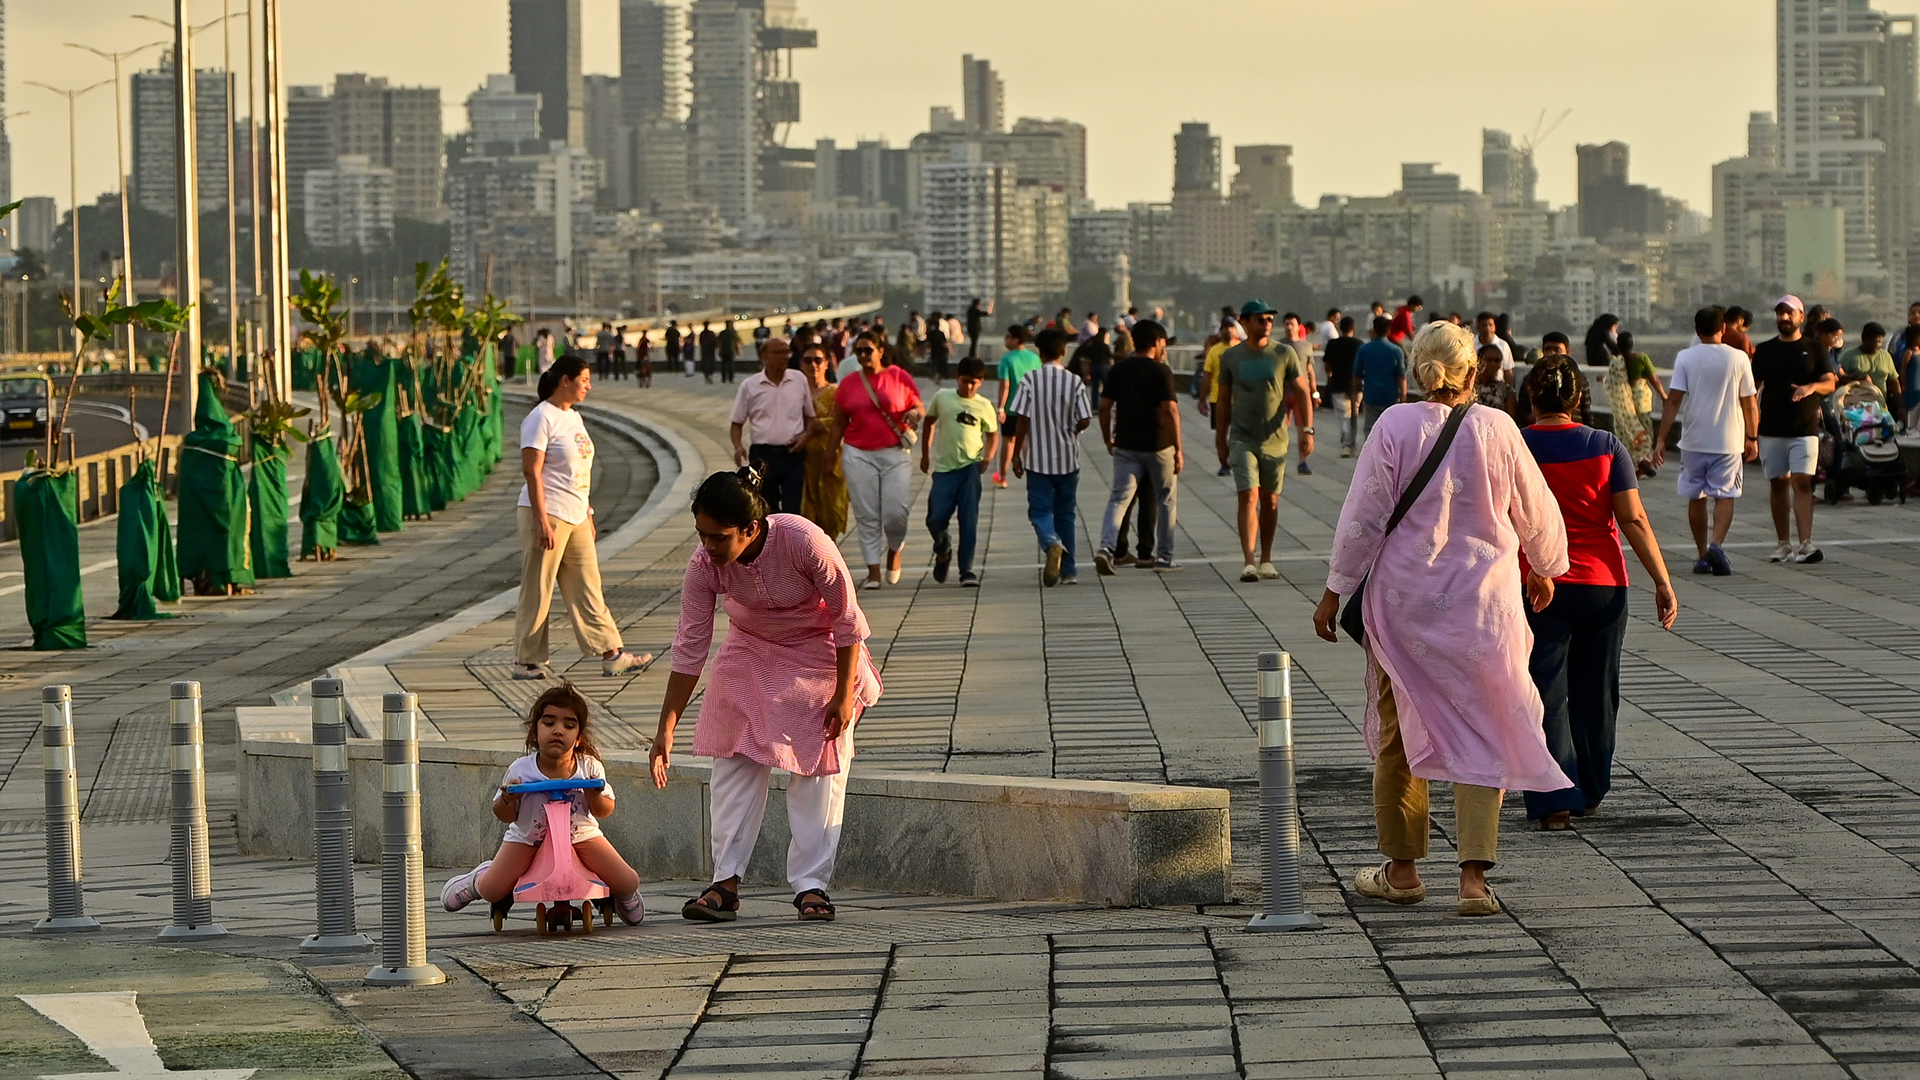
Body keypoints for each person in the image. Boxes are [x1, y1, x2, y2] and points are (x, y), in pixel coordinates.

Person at [1310, 322, 1571, 918]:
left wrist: (1333, 591)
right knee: (1485, 725)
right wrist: (1544, 566)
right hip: (1486, 604)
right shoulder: (1498, 426)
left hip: (1405, 605)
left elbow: (1363, 517)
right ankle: (1474, 881)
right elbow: (1536, 508)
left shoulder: (1394, 425)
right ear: (1475, 374)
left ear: (1412, 371)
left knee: (1401, 729)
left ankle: (1402, 870)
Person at [653, 470, 883, 924]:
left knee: (820, 757)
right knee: (733, 752)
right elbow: (691, 643)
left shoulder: (803, 541)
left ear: (751, 529)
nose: (709, 547)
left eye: (718, 537)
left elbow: (847, 620)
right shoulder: (704, 565)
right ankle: (725, 882)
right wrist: (666, 727)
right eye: (701, 535)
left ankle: (812, 885)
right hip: (750, 645)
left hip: (820, 650)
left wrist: (841, 694)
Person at [1517, 355, 1679, 831]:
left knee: (1542, 691)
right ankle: (1589, 788)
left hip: (1536, 584)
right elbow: (1631, 518)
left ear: (1530, 396)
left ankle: (1554, 798)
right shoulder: (1606, 445)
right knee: (1597, 691)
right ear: (1580, 400)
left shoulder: (1516, 446)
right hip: (1601, 585)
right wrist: (1662, 580)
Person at [440, 685, 646, 924]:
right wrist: (510, 798)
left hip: (581, 835)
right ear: (535, 732)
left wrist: (593, 795)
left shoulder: (589, 767)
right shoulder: (521, 769)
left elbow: (604, 809)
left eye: (569, 726)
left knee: (628, 880)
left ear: (579, 737)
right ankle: (477, 880)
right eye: (549, 724)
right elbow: (503, 813)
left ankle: (624, 895)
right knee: (493, 889)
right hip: (528, 838)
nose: (558, 731)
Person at [513, 357, 652, 681]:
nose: (589, 386)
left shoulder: (573, 417)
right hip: (547, 512)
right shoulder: (540, 418)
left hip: (576, 514)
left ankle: (612, 653)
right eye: (584, 379)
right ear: (565, 380)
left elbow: (581, 473)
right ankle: (526, 660)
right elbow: (531, 471)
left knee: (588, 586)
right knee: (538, 588)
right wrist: (540, 520)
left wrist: (588, 512)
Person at [1653, 307, 1759, 576]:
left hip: (1693, 439)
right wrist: (1752, 437)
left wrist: (1661, 440)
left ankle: (1701, 554)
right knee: (1725, 495)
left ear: (1697, 330)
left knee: (1695, 495)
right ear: (1723, 329)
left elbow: (1674, 400)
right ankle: (1717, 544)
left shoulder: (1686, 357)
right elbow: (1749, 401)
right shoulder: (1738, 358)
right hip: (1729, 439)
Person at [1215, 300, 1314, 582]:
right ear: (1244, 323)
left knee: (1270, 500)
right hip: (1242, 438)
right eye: (1260, 319)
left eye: (1270, 319)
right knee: (1248, 494)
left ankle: (1266, 558)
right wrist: (1220, 440)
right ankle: (1249, 560)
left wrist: (1306, 430)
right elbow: (1223, 401)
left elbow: (1302, 391)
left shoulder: (1284, 353)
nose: (1267, 324)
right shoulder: (1231, 357)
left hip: (1275, 439)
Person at [835, 331, 923, 588]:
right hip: (858, 453)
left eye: (867, 350)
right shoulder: (850, 383)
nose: (862, 355)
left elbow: (918, 407)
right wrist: (831, 455)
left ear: (880, 351)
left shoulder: (899, 376)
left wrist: (914, 416)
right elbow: (839, 422)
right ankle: (873, 570)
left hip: (894, 452)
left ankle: (895, 550)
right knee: (866, 513)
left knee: (896, 512)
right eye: (858, 351)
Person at [1751, 296, 1836, 564]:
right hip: (1772, 428)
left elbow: (1830, 382)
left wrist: (1811, 388)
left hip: (1805, 428)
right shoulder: (1764, 350)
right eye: (1780, 314)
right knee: (1778, 483)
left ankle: (1807, 544)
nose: (1784, 318)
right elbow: (1752, 389)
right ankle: (1782, 544)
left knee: (1802, 481)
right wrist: (1747, 426)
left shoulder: (1815, 348)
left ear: (1801, 316)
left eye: (1789, 313)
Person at [1095, 319, 1181, 573]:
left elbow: (1104, 406)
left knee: (1119, 499)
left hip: (1126, 444)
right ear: (1156, 343)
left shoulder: (1119, 369)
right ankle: (1163, 557)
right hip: (1158, 444)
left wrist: (1106, 437)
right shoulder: (1161, 371)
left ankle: (1106, 548)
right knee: (1165, 500)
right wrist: (1178, 448)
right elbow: (1171, 410)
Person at [1007, 328, 1091, 587]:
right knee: (1066, 513)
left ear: (1039, 352)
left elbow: (1022, 419)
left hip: (1038, 461)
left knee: (1040, 511)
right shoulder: (1074, 381)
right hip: (1068, 459)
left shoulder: (1030, 381)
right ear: (1064, 352)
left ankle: (1051, 542)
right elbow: (1085, 418)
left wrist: (1017, 455)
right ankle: (1069, 570)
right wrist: (1071, 431)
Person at [920, 357, 999, 587]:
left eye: (974, 383)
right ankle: (943, 549)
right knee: (935, 518)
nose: (969, 387)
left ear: (981, 382)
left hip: (970, 468)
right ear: (958, 378)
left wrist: (988, 458)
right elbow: (929, 422)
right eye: (965, 382)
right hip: (945, 469)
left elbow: (993, 433)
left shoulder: (984, 406)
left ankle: (967, 570)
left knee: (968, 520)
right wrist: (925, 454)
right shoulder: (943, 398)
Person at [730, 338, 814, 515]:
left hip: (793, 453)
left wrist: (806, 435)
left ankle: (790, 542)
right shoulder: (750, 386)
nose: (785, 357)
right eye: (779, 353)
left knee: (793, 507)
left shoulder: (799, 380)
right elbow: (737, 422)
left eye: (787, 352)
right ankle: (771, 542)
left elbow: (809, 416)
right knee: (766, 508)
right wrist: (738, 447)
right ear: (765, 357)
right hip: (763, 455)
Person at [797, 344, 848, 538]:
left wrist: (822, 424)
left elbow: (843, 420)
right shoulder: (796, 393)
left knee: (831, 510)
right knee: (806, 512)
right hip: (804, 459)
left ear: (827, 363)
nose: (813, 365)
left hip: (831, 458)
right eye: (808, 360)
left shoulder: (837, 392)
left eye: (818, 360)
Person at [993, 325, 1042, 488]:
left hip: (1012, 408)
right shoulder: (1035, 358)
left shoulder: (1007, 359)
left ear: (1016, 339)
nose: (1005, 340)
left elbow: (1005, 386)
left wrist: (1000, 408)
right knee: (1028, 441)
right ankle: (1032, 473)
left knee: (1008, 440)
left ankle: (1002, 476)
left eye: (1008, 337)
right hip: (1031, 406)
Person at [1352, 315, 1408, 448]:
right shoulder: (1395, 350)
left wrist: (1355, 392)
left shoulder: (1364, 350)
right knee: (1391, 429)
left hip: (1371, 396)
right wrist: (1403, 394)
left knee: (1370, 430)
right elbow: (1401, 375)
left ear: (1374, 330)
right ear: (1388, 331)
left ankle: (1371, 456)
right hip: (1390, 396)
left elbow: (1357, 375)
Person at [1323, 316, 1362, 456]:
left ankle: (1346, 446)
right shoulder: (1359, 344)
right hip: (1356, 386)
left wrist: (1330, 374)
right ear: (1354, 328)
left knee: (1343, 417)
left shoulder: (1333, 344)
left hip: (1338, 385)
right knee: (1354, 416)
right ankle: (1353, 445)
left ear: (1340, 328)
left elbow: (1327, 365)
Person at [1839, 321, 1902, 402]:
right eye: (1873, 341)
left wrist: (1900, 405)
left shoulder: (1886, 356)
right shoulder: (1849, 356)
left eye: (1879, 342)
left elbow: (1894, 382)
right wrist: (1859, 379)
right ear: (1864, 338)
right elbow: (1839, 379)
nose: (1877, 345)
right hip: (1856, 406)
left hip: (1881, 404)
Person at [1473, 344, 1517, 417]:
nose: (1493, 364)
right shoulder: (1469, 388)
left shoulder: (1506, 390)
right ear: (1479, 361)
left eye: (1497, 361)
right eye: (1488, 360)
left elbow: (1511, 418)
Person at [1071, 326, 1113, 401]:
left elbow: (1087, 357)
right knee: (1107, 385)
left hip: (1094, 367)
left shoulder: (1092, 345)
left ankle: (1094, 404)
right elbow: (1109, 357)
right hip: (1102, 366)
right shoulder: (1104, 346)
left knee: (1095, 387)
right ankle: (1107, 401)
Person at [1474, 312, 1514, 384]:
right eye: (1484, 325)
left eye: (1490, 325)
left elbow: (1507, 371)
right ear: (1478, 327)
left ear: (1495, 327)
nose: (1487, 329)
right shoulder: (1471, 345)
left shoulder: (1503, 345)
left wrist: (1510, 390)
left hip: (1498, 387)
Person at [925, 311, 951, 384]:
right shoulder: (941, 332)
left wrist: (928, 349)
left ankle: (935, 375)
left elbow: (929, 342)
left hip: (934, 350)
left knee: (934, 363)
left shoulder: (931, 333)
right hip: (942, 350)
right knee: (940, 363)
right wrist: (950, 350)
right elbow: (945, 342)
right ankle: (940, 376)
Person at [718, 320, 740, 384]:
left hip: (724, 350)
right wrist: (737, 350)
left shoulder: (722, 333)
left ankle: (724, 378)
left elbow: (720, 343)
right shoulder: (733, 332)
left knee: (724, 365)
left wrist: (720, 350)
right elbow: (736, 342)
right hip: (730, 350)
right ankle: (731, 378)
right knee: (731, 365)